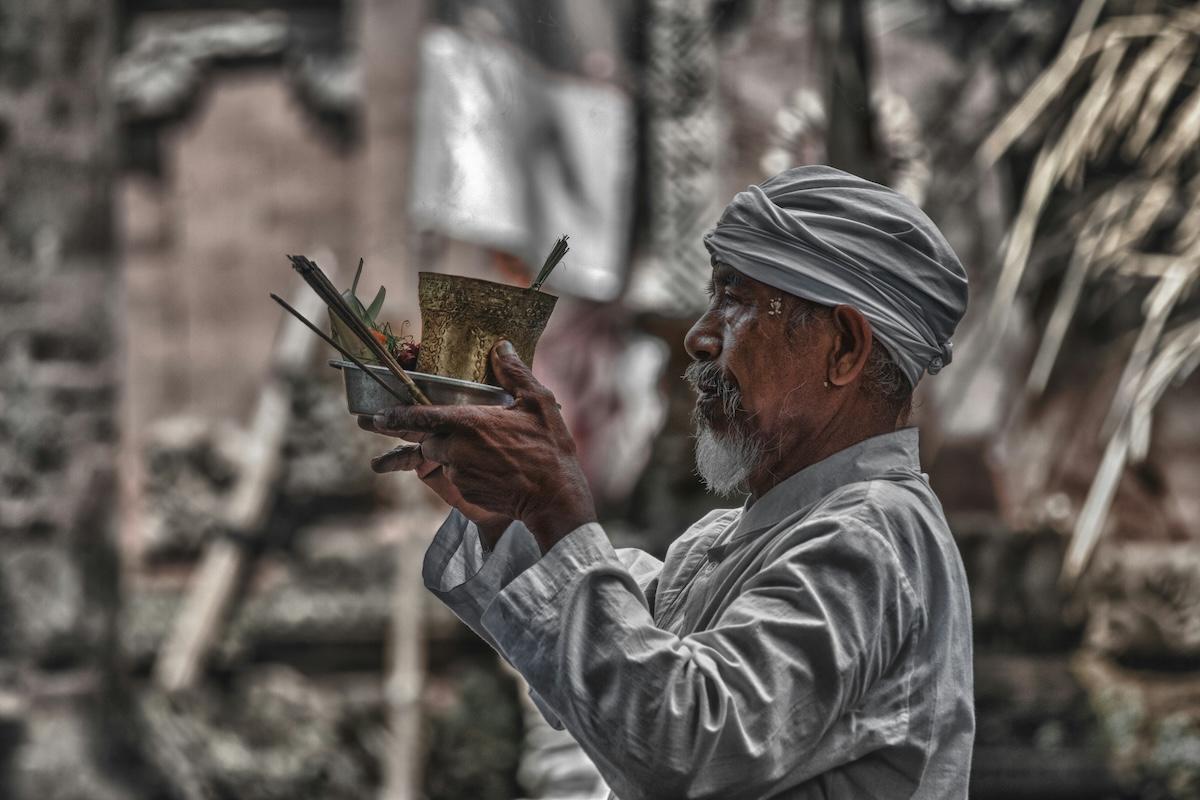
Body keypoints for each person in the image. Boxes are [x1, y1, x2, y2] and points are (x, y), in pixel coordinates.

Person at [359, 166, 974, 799]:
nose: (699, 336)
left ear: (843, 347)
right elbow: (617, 678)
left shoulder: (871, 534)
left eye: (734, 300)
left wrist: (551, 503)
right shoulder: (733, 542)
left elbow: (682, 743)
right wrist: (509, 509)